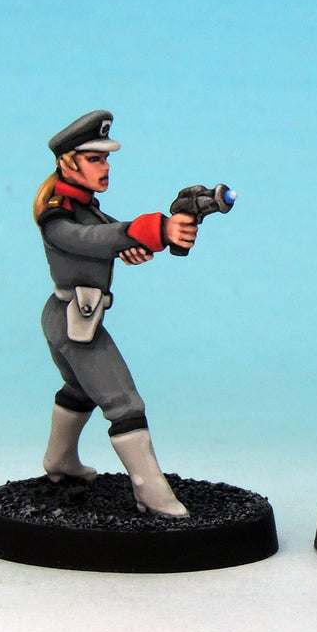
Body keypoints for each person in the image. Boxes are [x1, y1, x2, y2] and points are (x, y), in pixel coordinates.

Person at [32, 110, 198, 518]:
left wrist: (147, 238)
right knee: (124, 404)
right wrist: (153, 230)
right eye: (94, 159)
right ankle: (151, 493)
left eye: (106, 158)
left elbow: (105, 234)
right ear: (67, 163)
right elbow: (84, 239)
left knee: (79, 389)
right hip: (75, 322)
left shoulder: (84, 206)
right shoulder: (57, 214)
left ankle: (60, 461)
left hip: (68, 315)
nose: (105, 167)